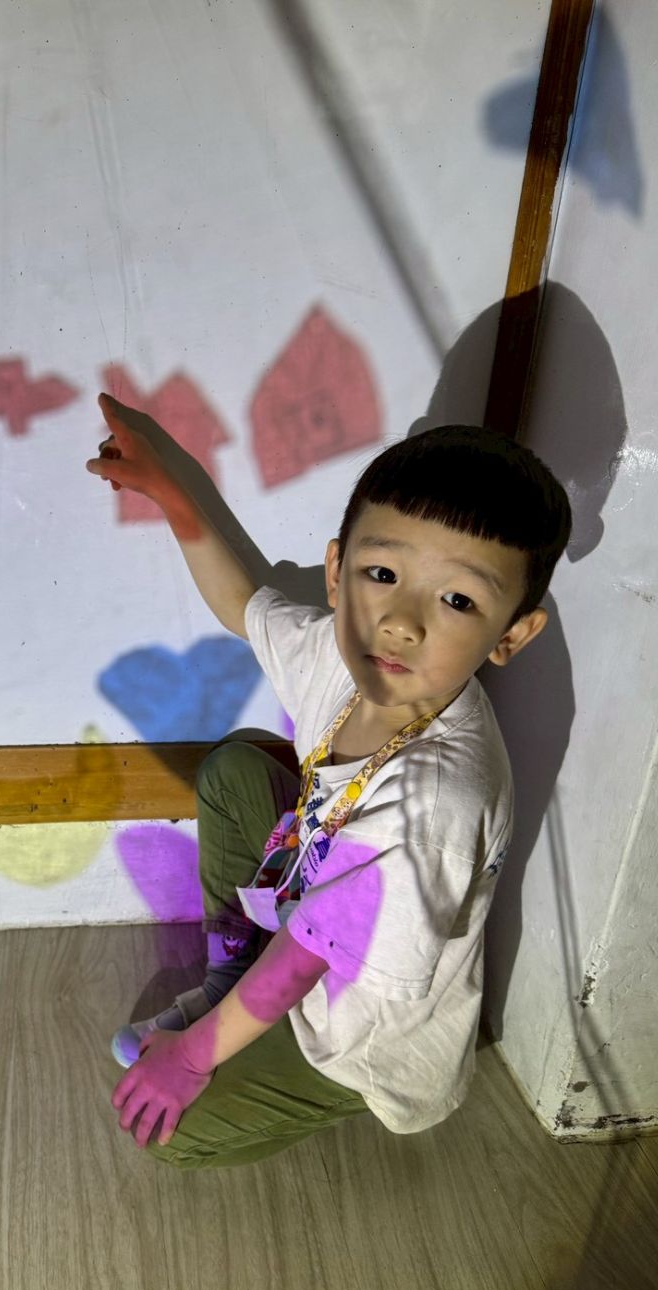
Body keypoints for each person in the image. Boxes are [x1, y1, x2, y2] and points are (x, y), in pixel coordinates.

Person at [86, 391, 571, 1169]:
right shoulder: (344, 659)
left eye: (457, 599)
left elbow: (310, 955)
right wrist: (170, 491)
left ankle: (255, 1038)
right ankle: (231, 978)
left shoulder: (438, 802)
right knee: (239, 767)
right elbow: (243, 604)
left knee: (182, 1131)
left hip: (359, 1033)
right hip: (306, 914)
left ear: (510, 634)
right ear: (338, 572)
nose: (402, 621)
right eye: (384, 572)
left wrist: (192, 1057)